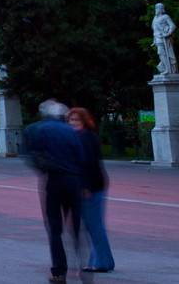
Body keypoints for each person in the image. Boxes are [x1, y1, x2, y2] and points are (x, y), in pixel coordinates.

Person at [23, 99, 89, 284]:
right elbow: (81, 157)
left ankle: (59, 272)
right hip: (74, 180)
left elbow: (30, 154)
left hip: (53, 180)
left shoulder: (36, 129)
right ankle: (83, 265)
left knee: (54, 227)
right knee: (76, 226)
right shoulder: (71, 131)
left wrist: (42, 169)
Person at [69, 107, 114, 274]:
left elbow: (88, 164)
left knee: (94, 226)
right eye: (71, 120)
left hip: (91, 187)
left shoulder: (85, 138)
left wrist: (85, 186)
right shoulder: (84, 136)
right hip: (94, 184)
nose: (73, 123)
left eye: (77, 120)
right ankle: (104, 261)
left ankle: (101, 262)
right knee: (94, 225)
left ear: (84, 121)